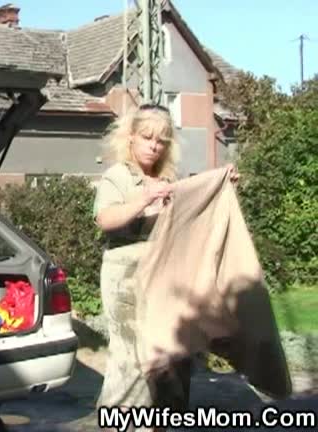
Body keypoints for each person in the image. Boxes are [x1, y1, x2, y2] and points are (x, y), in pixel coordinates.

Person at [92, 104, 237, 430]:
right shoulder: (118, 176)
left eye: (161, 140)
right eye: (147, 137)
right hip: (127, 279)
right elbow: (105, 219)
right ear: (131, 137)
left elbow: (192, 217)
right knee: (133, 362)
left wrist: (220, 186)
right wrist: (144, 198)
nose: (154, 146)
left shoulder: (169, 180)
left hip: (167, 278)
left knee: (172, 359)